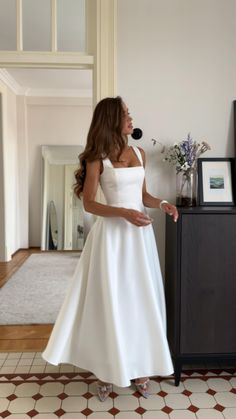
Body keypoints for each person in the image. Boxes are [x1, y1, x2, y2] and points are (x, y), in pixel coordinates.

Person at [42, 96, 179, 401]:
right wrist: (124, 214)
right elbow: (90, 203)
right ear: (111, 120)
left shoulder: (140, 153)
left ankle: (140, 369)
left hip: (138, 241)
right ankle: (106, 369)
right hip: (111, 241)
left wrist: (164, 204)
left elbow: (143, 196)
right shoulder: (96, 157)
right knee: (110, 304)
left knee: (140, 302)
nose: (131, 118)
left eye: (130, 113)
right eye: (125, 114)